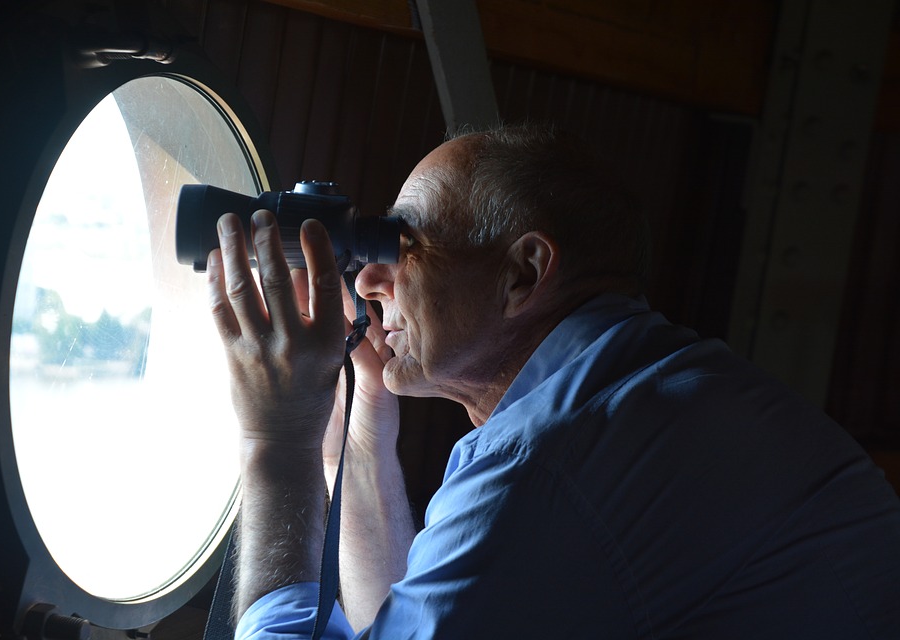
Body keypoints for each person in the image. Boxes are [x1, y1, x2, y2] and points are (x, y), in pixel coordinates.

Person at [206, 124, 900, 638]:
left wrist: (276, 443)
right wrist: (349, 444)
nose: (367, 279)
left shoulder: (549, 462)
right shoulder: (649, 386)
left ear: (523, 275)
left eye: (402, 245)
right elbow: (411, 618)